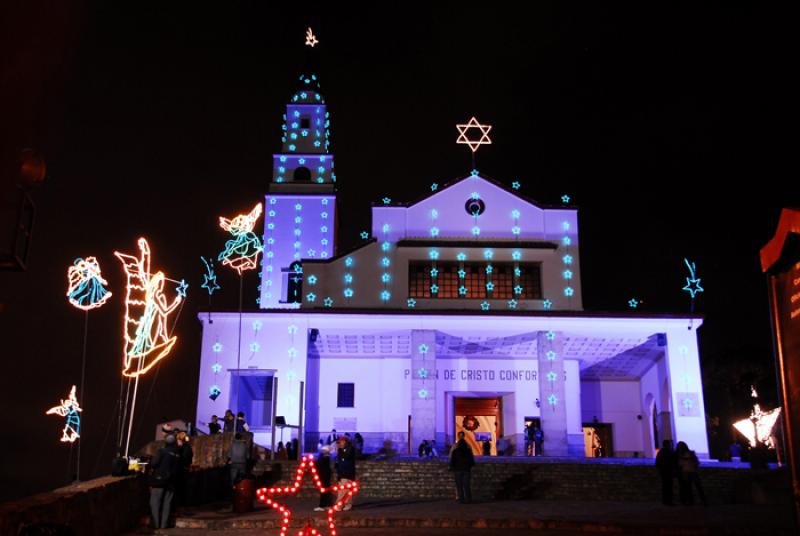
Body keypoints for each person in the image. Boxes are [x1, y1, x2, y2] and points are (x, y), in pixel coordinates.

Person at [149, 434, 181, 529]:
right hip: (171, 481)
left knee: (155, 502)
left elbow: (154, 464)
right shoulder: (177, 454)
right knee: (167, 504)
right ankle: (164, 525)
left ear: (166, 442)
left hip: (159, 480)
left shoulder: (162, 451)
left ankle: (155, 524)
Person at [676, 441, 707, 506]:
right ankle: (702, 501)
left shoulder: (681, 455)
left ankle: (693, 501)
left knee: (690, 487)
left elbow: (680, 464)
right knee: (696, 487)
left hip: (688, 472)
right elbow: (697, 462)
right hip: (691, 471)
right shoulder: (691, 453)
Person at [449, 432, 475, 503]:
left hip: (458, 469)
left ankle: (461, 499)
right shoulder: (468, 449)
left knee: (459, 485)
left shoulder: (455, 450)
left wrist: (452, 467)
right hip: (466, 469)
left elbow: (452, 459)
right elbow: (471, 459)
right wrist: (470, 466)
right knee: (466, 485)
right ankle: (468, 499)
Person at [335, 436, 356, 510]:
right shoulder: (340, 451)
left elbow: (346, 457)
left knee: (345, 490)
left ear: (344, 442)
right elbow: (339, 462)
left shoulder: (350, 449)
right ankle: (342, 505)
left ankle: (344, 504)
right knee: (341, 490)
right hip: (342, 473)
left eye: (340, 442)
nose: (339, 444)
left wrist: (340, 450)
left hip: (347, 473)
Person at [655, 439, 676, 505]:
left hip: (663, 472)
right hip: (668, 472)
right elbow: (673, 461)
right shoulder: (669, 452)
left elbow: (657, 463)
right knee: (669, 487)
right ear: (668, 444)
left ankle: (665, 501)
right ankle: (669, 501)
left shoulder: (660, 452)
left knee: (665, 486)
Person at [314, 446, 334, 511]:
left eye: (323, 450)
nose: (322, 451)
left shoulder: (325, 458)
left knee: (324, 491)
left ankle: (322, 505)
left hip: (324, 477)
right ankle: (327, 505)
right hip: (325, 477)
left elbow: (322, 467)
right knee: (326, 491)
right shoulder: (327, 458)